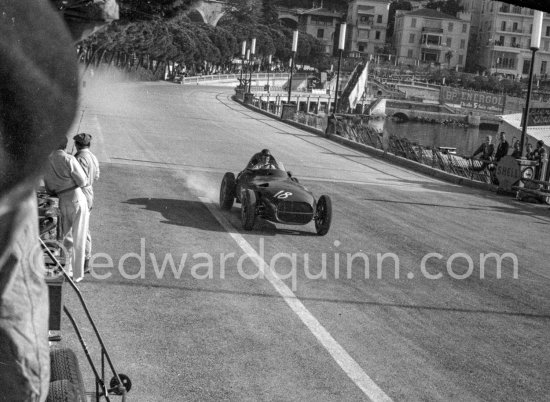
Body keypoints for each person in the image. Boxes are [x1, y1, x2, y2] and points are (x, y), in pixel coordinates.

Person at [44, 138, 90, 283]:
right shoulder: (68, 158)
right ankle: (77, 274)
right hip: (76, 197)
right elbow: (83, 181)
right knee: (80, 236)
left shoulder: (47, 161)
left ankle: (65, 268)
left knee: (65, 237)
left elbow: (48, 187)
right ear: (65, 146)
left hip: (61, 199)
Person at [73, 133, 100, 270]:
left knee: (80, 228)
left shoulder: (79, 158)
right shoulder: (93, 157)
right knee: (84, 226)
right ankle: (85, 261)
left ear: (77, 144)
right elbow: (96, 176)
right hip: (89, 192)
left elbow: (79, 179)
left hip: (80, 193)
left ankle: (83, 261)